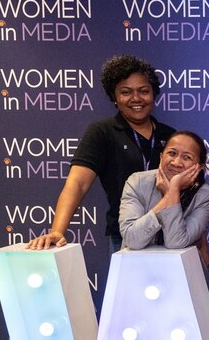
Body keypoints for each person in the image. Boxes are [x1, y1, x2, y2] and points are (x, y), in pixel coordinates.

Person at [27, 55, 176, 253]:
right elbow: (77, 184)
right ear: (114, 97)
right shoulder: (102, 132)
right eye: (125, 92)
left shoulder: (171, 136)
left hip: (171, 235)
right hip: (126, 237)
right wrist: (57, 231)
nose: (136, 98)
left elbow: (189, 193)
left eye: (144, 91)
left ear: (153, 94)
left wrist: (200, 245)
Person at [119, 131, 209, 250]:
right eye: (172, 153)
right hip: (136, 265)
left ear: (200, 167)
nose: (176, 163)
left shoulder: (206, 196)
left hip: (181, 267)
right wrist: (168, 197)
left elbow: (176, 242)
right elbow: (132, 239)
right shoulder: (137, 182)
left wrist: (173, 189)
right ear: (161, 156)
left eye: (187, 157)